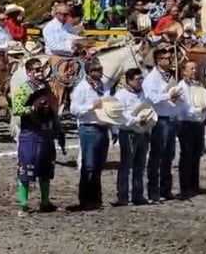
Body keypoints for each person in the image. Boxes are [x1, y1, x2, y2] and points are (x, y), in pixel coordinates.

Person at [11, 57, 64, 216]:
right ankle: (23, 204)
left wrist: (58, 129)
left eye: (40, 69)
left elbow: (54, 110)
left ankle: (45, 202)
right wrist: (33, 109)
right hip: (30, 134)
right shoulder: (24, 89)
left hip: (46, 135)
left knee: (45, 170)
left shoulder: (48, 88)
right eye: (35, 70)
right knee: (25, 171)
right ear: (28, 72)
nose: (39, 72)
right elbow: (16, 108)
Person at [69, 59, 111, 211]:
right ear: (88, 72)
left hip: (102, 127)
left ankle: (96, 198)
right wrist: (90, 107)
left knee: (99, 165)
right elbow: (74, 109)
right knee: (89, 165)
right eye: (95, 70)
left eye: (99, 69)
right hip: (89, 128)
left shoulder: (104, 86)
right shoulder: (82, 87)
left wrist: (113, 128)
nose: (98, 72)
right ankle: (86, 199)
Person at [142, 46, 179, 202]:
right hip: (160, 119)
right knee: (157, 156)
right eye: (167, 58)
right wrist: (168, 95)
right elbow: (151, 98)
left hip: (170, 117)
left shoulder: (169, 76)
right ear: (158, 61)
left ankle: (166, 188)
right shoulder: (152, 78)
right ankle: (153, 190)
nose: (170, 61)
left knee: (168, 156)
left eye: (170, 58)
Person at [113, 68, 151, 206]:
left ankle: (138, 193)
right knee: (126, 164)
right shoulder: (121, 95)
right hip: (128, 132)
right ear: (129, 81)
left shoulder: (142, 93)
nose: (140, 82)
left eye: (141, 79)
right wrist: (135, 120)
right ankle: (122, 195)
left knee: (140, 164)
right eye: (137, 79)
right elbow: (120, 115)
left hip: (142, 132)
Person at [176, 60, 206, 199]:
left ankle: (194, 185)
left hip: (197, 122)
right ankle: (185, 187)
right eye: (191, 69)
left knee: (196, 155)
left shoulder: (197, 86)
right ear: (184, 71)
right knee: (187, 155)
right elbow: (185, 108)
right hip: (186, 123)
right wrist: (199, 110)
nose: (194, 71)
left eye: (195, 68)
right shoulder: (181, 87)